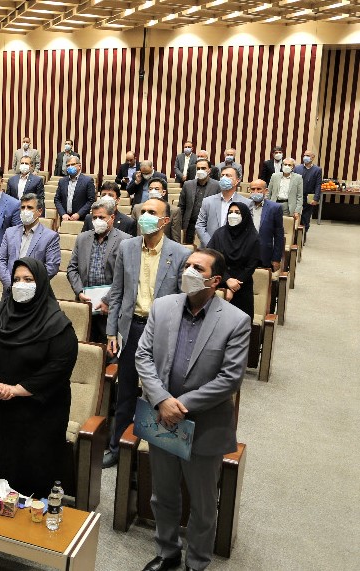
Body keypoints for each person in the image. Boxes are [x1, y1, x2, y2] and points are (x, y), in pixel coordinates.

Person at [134, 248, 250, 571]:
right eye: (187, 265)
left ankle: (196, 562)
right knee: (163, 494)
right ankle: (167, 551)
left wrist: (179, 406)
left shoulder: (235, 321)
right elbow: (143, 356)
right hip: (161, 418)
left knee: (202, 503)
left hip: (204, 425)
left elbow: (230, 379)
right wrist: (162, 400)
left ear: (215, 280)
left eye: (198, 268)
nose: (189, 271)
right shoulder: (163, 307)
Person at [0, 258, 78, 497]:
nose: (20, 284)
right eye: (16, 279)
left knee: (28, 487)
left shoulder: (58, 325)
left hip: (35, 415)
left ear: (41, 284)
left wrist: (15, 390)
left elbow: (58, 368)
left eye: (28, 280)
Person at [103, 198, 190, 468]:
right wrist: (111, 332)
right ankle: (117, 447)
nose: (145, 216)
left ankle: (154, 455)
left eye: (152, 212)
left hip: (163, 332)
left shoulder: (180, 253)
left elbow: (184, 301)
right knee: (126, 392)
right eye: (143, 212)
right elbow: (117, 292)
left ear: (165, 221)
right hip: (132, 328)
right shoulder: (127, 247)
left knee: (159, 392)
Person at [67, 197, 131, 343]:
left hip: (111, 308)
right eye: (94, 217)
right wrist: (79, 291)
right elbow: (72, 268)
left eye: (101, 217)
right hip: (85, 304)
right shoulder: (82, 238)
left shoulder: (126, 241)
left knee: (108, 349)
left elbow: (126, 277)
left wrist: (107, 300)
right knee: (85, 346)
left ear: (112, 218)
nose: (97, 221)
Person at [0, 193, 60, 293]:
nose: (25, 211)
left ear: (39, 211)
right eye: (23, 207)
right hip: (10, 291)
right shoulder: (9, 232)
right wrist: (11, 284)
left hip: (35, 292)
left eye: (29, 207)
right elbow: (1, 261)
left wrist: (29, 284)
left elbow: (52, 267)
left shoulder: (50, 237)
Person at [207, 203, 260, 320]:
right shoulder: (219, 234)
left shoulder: (253, 237)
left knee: (240, 322)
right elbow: (211, 258)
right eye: (230, 212)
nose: (233, 215)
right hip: (219, 282)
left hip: (242, 286)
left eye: (237, 212)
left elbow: (251, 266)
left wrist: (233, 287)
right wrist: (227, 280)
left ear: (244, 216)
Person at [195, 167, 253, 247]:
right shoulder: (207, 201)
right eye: (222, 175)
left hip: (234, 249)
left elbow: (247, 229)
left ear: (237, 181)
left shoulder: (246, 203)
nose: (224, 178)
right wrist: (211, 244)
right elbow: (200, 226)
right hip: (209, 248)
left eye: (228, 175)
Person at [178, 158, 220, 245]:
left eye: (203, 168)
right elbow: (181, 206)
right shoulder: (187, 184)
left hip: (207, 226)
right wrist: (181, 225)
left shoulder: (217, 185)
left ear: (209, 170)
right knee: (188, 249)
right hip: (189, 226)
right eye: (198, 168)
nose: (200, 170)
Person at [248, 180, 285, 272]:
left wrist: (276, 259)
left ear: (266, 191)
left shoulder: (275, 208)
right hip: (245, 252)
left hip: (264, 253)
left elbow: (279, 235)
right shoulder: (244, 205)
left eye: (259, 189)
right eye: (253, 189)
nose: (255, 192)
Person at [133, 178, 183, 243]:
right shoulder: (137, 208)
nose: (153, 191)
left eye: (156, 189)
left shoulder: (174, 210)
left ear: (163, 192)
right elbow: (132, 234)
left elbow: (175, 239)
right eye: (150, 189)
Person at [54, 156, 96, 222]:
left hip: (82, 219)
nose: (70, 167)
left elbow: (91, 200)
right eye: (68, 165)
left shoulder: (88, 181)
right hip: (65, 218)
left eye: (73, 164)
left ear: (79, 166)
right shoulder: (62, 181)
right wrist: (63, 214)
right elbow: (57, 199)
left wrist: (79, 214)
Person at [294, 150, 322, 242]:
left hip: (309, 197)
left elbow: (318, 184)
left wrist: (316, 198)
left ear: (313, 158)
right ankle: (294, 236)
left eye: (308, 155)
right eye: (304, 155)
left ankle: (303, 236)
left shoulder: (317, 170)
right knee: (295, 216)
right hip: (297, 196)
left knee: (305, 218)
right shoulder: (297, 168)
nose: (305, 157)